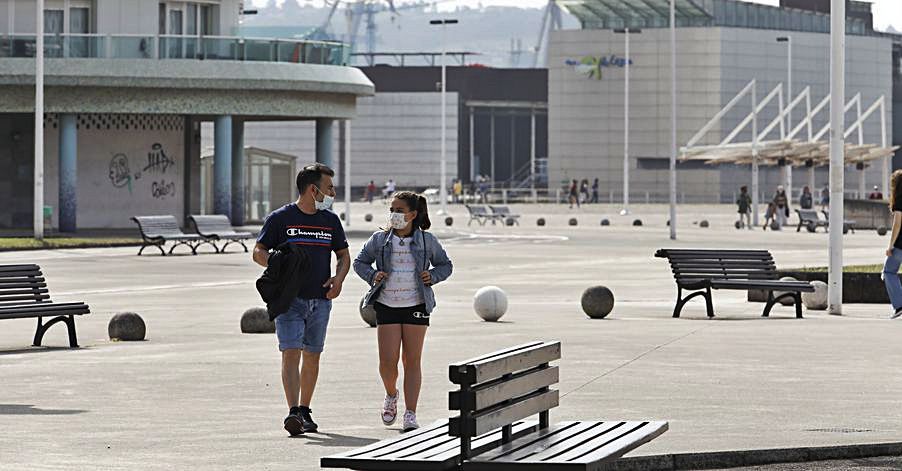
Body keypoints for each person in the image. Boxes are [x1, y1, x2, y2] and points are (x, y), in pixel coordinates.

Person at [253, 164, 350, 436]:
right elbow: (258, 251)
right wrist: (276, 262)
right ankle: (293, 410)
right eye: (329, 187)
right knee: (291, 352)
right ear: (313, 189)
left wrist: (338, 279)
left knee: (313, 355)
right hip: (290, 300)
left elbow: (343, 256)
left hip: (321, 299)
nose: (332, 192)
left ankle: (305, 409)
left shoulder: (330, 221)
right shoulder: (281, 218)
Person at [354, 191, 453, 431]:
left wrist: (433, 276)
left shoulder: (427, 240)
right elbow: (360, 262)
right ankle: (391, 394)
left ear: (412, 214)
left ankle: (411, 413)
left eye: (399, 211)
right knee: (388, 362)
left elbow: (446, 265)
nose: (394, 215)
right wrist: (373, 275)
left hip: (416, 305)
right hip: (387, 305)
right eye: (392, 210)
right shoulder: (380, 240)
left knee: (412, 360)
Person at [884, 170, 902, 319]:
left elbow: (897, 224)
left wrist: (890, 245)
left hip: (900, 245)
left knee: (889, 272)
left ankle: (899, 304)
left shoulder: (899, 201)